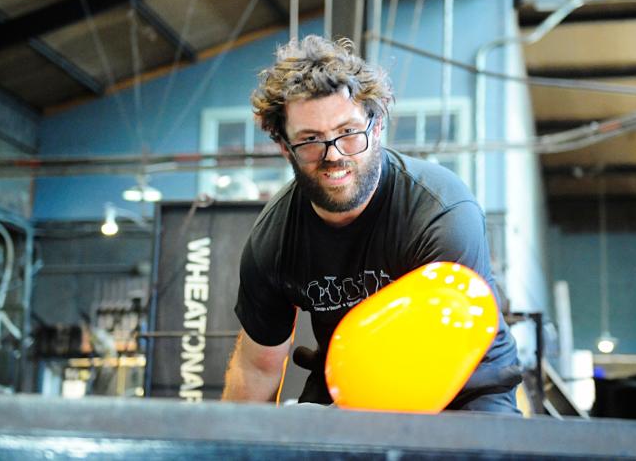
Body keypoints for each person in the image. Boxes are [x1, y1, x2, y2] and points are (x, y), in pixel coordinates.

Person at [221, 35, 521, 413]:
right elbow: (256, 369)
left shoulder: (439, 213)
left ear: (376, 126)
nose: (334, 157)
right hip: (347, 384)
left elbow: (425, 364)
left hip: (465, 386)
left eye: (348, 133)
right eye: (311, 140)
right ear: (284, 146)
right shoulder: (274, 240)